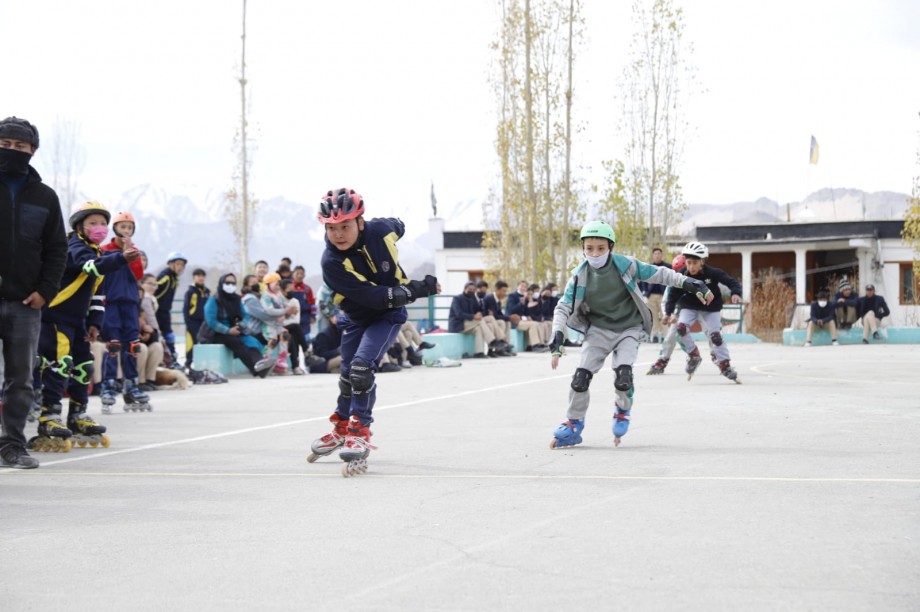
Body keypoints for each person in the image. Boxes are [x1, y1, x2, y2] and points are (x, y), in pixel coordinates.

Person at [307, 188, 439, 475]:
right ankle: (342, 426)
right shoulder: (331, 263)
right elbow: (374, 297)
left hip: (388, 317)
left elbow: (398, 225)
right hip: (357, 316)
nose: (339, 234)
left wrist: (395, 232)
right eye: (331, 228)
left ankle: (360, 430)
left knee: (361, 369)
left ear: (360, 222)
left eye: (345, 226)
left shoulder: (380, 230)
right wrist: (419, 288)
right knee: (346, 377)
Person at [548, 221, 712, 449]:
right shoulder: (579, 275)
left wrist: (688, 282)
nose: (595, 253)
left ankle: (622, 410)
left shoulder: (624, 265)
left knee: (623, 377)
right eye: (589, 248)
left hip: (628, 328)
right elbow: (563, 307)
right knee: (580, 378)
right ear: (583, 248)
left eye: (601, 248)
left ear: (610, 247)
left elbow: (659, 274)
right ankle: (574, 424)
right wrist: (557, 334)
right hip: (598, 330)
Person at [33, 202, 136, 452]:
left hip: (77, 322)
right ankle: (49, 416)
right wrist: (120, 258)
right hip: (54, 318)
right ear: (79, 226)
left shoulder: (98, 253)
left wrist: (94, 324)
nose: (99, 228)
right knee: (60, 365)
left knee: (84, 367)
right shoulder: (74, 246)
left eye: (102, 223)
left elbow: (98, 295)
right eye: (93, 223)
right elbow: (88, 267)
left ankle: (77, 415)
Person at [0, 116, 68, 469]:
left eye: (20, 147)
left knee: (21, 380)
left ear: (33, 151)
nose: (12, 151)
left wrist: (45, 291)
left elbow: (57, 249)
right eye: (5, 145)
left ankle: (12, 445)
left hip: (26, 304)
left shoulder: (45, 197)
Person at [664, 241, 743, 381]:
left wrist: (735, 293)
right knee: (681, 328)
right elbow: (673, 295)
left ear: (702, 262)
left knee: (715, 336)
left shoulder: (712, 273)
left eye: (695, 263)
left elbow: (731, 282)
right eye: (688, 262)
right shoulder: (682, 275)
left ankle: (725, 364)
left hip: (711, 307)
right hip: (689, 306)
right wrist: (668, 313)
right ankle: (693, 354)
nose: (691, 266)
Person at [99, 210, 150, 413]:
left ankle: (132, 385)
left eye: (129, 228)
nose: (126, 231)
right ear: (115, 228)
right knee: (114, 345)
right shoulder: (105, 250)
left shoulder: (134, 251)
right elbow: (100, 273)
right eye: (123, 227)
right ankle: (109, 386)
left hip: (129, 303)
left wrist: (130, 254)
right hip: (111, 302)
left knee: (132, 345)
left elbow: (138, 274)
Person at [201, 273, 272, 377]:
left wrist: (240, 326)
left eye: (233, 283)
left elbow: (245, 316)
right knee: (235, 341)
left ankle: (260, 364)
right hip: (216, 333)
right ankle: (255, 369)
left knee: (250, 341)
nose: (231, 285)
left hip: (235, 330)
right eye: (227, 283)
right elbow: (211, 321)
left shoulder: (236, 299)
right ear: (221, 284)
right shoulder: (214, 300)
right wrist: (228, 331)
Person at [448, 281, 501, 358]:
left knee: (479, 328)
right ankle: (492, 341)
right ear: (465, 289)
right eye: (470, 289)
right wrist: (473, 316)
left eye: (473, 290)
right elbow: (458, 314)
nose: (472, 291)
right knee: (479, 321)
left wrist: (480, 313)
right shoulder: (457, 298)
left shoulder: (473, 298)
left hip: (470, 323)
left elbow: (479, 309)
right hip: (458, 324)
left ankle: (479, 352)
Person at [155, 251, 188, 367]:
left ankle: (171, 359)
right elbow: (155, 286)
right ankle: (169, 359)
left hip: (165, 311)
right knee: (165, 335)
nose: (180, 267)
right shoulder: (166, 276)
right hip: (157, 311)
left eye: (182, 265)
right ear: (170, 264)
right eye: (178, 264)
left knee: (168, 335)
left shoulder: (174, 278)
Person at [638, 247, 671, 343]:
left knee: (665, 315)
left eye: (659, 253)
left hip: (664, 296)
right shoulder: (648, 267)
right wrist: (645, 292)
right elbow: (643, 279)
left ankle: (666, 336)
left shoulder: (667, 267)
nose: (657, 255)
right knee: (653, 317)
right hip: (651, 295)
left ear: (661, 255)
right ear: (653, 255)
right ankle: (655, 335)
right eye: (655, 254)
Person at [507, 280, 547, 352]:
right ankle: (535, 345)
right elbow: (511, 310)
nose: (523, 288)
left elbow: (527, 311)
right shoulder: (512, 296)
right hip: (515, 321)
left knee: (537, 323)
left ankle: (540, 344)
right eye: (522, 286)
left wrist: (527, 316)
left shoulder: (526, 297)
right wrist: (520, 303)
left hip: (523, 320)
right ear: (517, 287)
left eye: (525, 287)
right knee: (534, 324)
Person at [183, 268, 210, 368]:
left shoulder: (207, 291)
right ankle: (188, 363)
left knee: (203, 341)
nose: (201, 278)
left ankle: (202, 363)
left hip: (204, 321)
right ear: (194, 278)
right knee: (192, 342)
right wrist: (188, 321)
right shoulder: (190, 291)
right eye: (198, 276)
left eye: (202, 276)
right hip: (192, 321)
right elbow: (186, 308)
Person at [290, 265, 318, 346]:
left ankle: (307, 356)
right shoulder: (289, 287)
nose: (299, 275)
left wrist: (313, 316)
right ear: (293, 274)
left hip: (305, 318)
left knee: (306, 339)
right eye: (297, 273)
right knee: (293, 339)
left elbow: (312, 303)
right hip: (293, 317)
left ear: (304, 275)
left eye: (301, 274)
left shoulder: (307, 289)